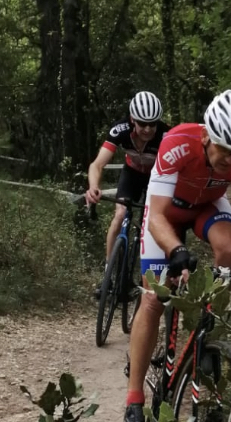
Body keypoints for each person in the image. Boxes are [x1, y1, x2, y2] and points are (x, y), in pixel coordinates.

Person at [121, 89, 231, 422]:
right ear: (207, 135)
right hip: (166, 212)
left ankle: (205, 332)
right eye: (224, 149)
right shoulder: (178, 142)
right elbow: (157, 217)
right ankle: (134, 401)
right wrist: (176, 250)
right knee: (153, 298)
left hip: (207, 205)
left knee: (230, 248)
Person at [85, 91, 169, 293]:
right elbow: (96, 165)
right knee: (120, 215)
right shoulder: (120, 130)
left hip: (155, 179)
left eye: (153, 124)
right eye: (142, 124)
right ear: (132, 120)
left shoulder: (167, 136)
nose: (148, 129)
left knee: (150, 224)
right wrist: (94, 187)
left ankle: (146, 274)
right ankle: (108, 275)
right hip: (131, 174)